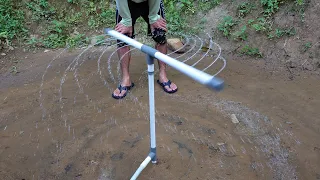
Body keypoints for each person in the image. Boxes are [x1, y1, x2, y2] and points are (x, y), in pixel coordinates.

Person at [112, 0, 178, 99]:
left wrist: (153, 17)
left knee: (159, 34)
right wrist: (126, 21)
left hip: (151, 2)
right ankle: (126, 79)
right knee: (123, 38)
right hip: (126, 3)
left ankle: (162, 75)